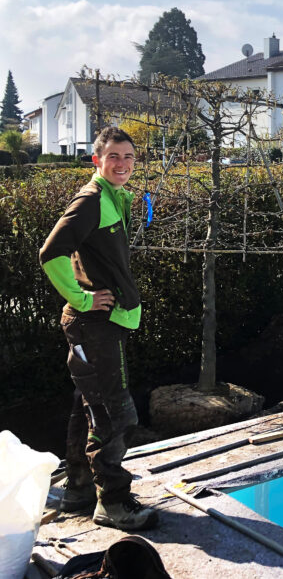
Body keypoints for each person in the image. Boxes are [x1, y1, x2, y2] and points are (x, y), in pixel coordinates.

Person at [39, 126, 157, 530]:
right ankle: (115, 503)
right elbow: (50, 252)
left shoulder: (112, 196)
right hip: (94, 323)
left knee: (86, 404)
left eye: (128, 157)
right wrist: (84, 298)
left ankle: (78, 488)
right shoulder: (91, 200)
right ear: (97, 160)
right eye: (114, 157)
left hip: (99, 325)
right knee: (114, 413)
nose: (122, 164)